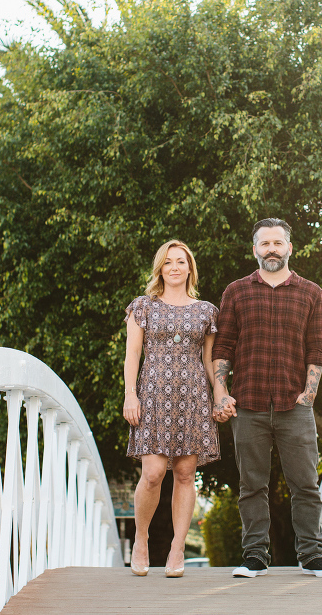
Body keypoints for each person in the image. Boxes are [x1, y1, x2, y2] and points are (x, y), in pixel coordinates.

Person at [211, 218, 322, 578]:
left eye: (277, 243)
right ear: (254, 249)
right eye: (264, 243)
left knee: (305, 484)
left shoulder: (311, 293)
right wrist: (221, 392)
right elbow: (223, 347)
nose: (271, 249)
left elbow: (319, 347)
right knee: (252, 485)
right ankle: (255, 556)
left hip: (294, 405)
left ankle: (313, 555)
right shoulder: (235, 292)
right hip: (247, 403)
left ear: (289, 248)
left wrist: (309, 394)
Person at [123, 240, 225, 578]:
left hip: (193, 398)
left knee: (184, 474)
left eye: (181, 262)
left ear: (190, 269)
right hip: (152, 396)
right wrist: (130, 395)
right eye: (168, 262)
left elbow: (210, 361)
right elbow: (132, 356)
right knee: (152, 474)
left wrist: (220, 395)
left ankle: (177, 548)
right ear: (160, 269)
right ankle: (141, 540)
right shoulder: (143, 307)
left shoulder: (207, 311)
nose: (175, 267)